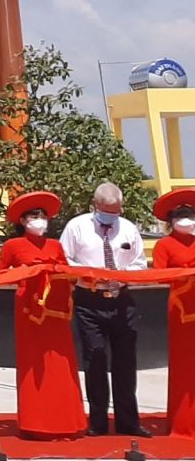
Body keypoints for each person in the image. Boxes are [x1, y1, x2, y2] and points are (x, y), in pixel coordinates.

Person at [0, 191, 87, 438]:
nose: (40, 220)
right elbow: (0, 276)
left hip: (56, 313)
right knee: (33, 363)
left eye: (43, 216)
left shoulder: (56, 245)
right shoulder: (12, 246)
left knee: (60, 363)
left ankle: (66, 421)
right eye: (34, 216)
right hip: (29, 312)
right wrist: (26, 273)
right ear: (23, 221)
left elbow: (67, 273)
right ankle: (35, 422)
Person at [61, 181, 150, 436]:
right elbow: (63, 259)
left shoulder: (129, 229)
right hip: (90, 300)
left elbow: (139, 264)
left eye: (116, 211)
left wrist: (121, 275)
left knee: (125, 362)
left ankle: (128, 422)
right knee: (95, 359)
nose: (112, 216)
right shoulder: (77, 227)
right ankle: (98, 421)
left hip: (122, 300)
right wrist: (88, 274)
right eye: (107, 210)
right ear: (95, 205)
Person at [152, 189, 195, 438]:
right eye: (181, 217)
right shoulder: (164, 245)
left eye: (190, 215)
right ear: (171, 222)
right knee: (184, 363)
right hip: (181, 308)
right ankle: (183, 421)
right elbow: (159, 275)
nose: (187, 221)